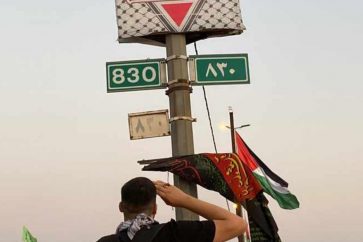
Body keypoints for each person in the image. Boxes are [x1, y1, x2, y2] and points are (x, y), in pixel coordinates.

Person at [97, 177, 246, 242]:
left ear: (121, 207)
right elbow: (238, 224)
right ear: (155, 208)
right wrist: (183, 200)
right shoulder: (176, 233)